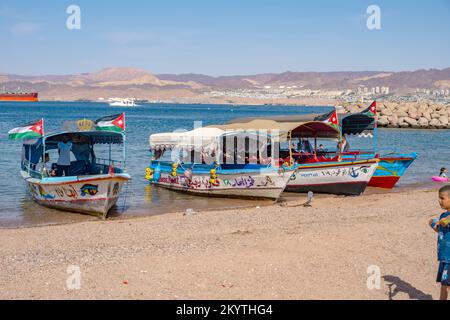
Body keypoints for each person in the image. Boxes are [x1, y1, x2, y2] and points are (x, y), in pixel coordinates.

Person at [429, 185, 450, 300]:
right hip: (444, 256)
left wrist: (443, 221)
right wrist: (433, 224)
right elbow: (441, 231)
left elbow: (446, 222)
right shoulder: (443, 215)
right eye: (439, 198)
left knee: (446, 285)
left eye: (442, 198)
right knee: (444, 283)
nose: (439, 201)